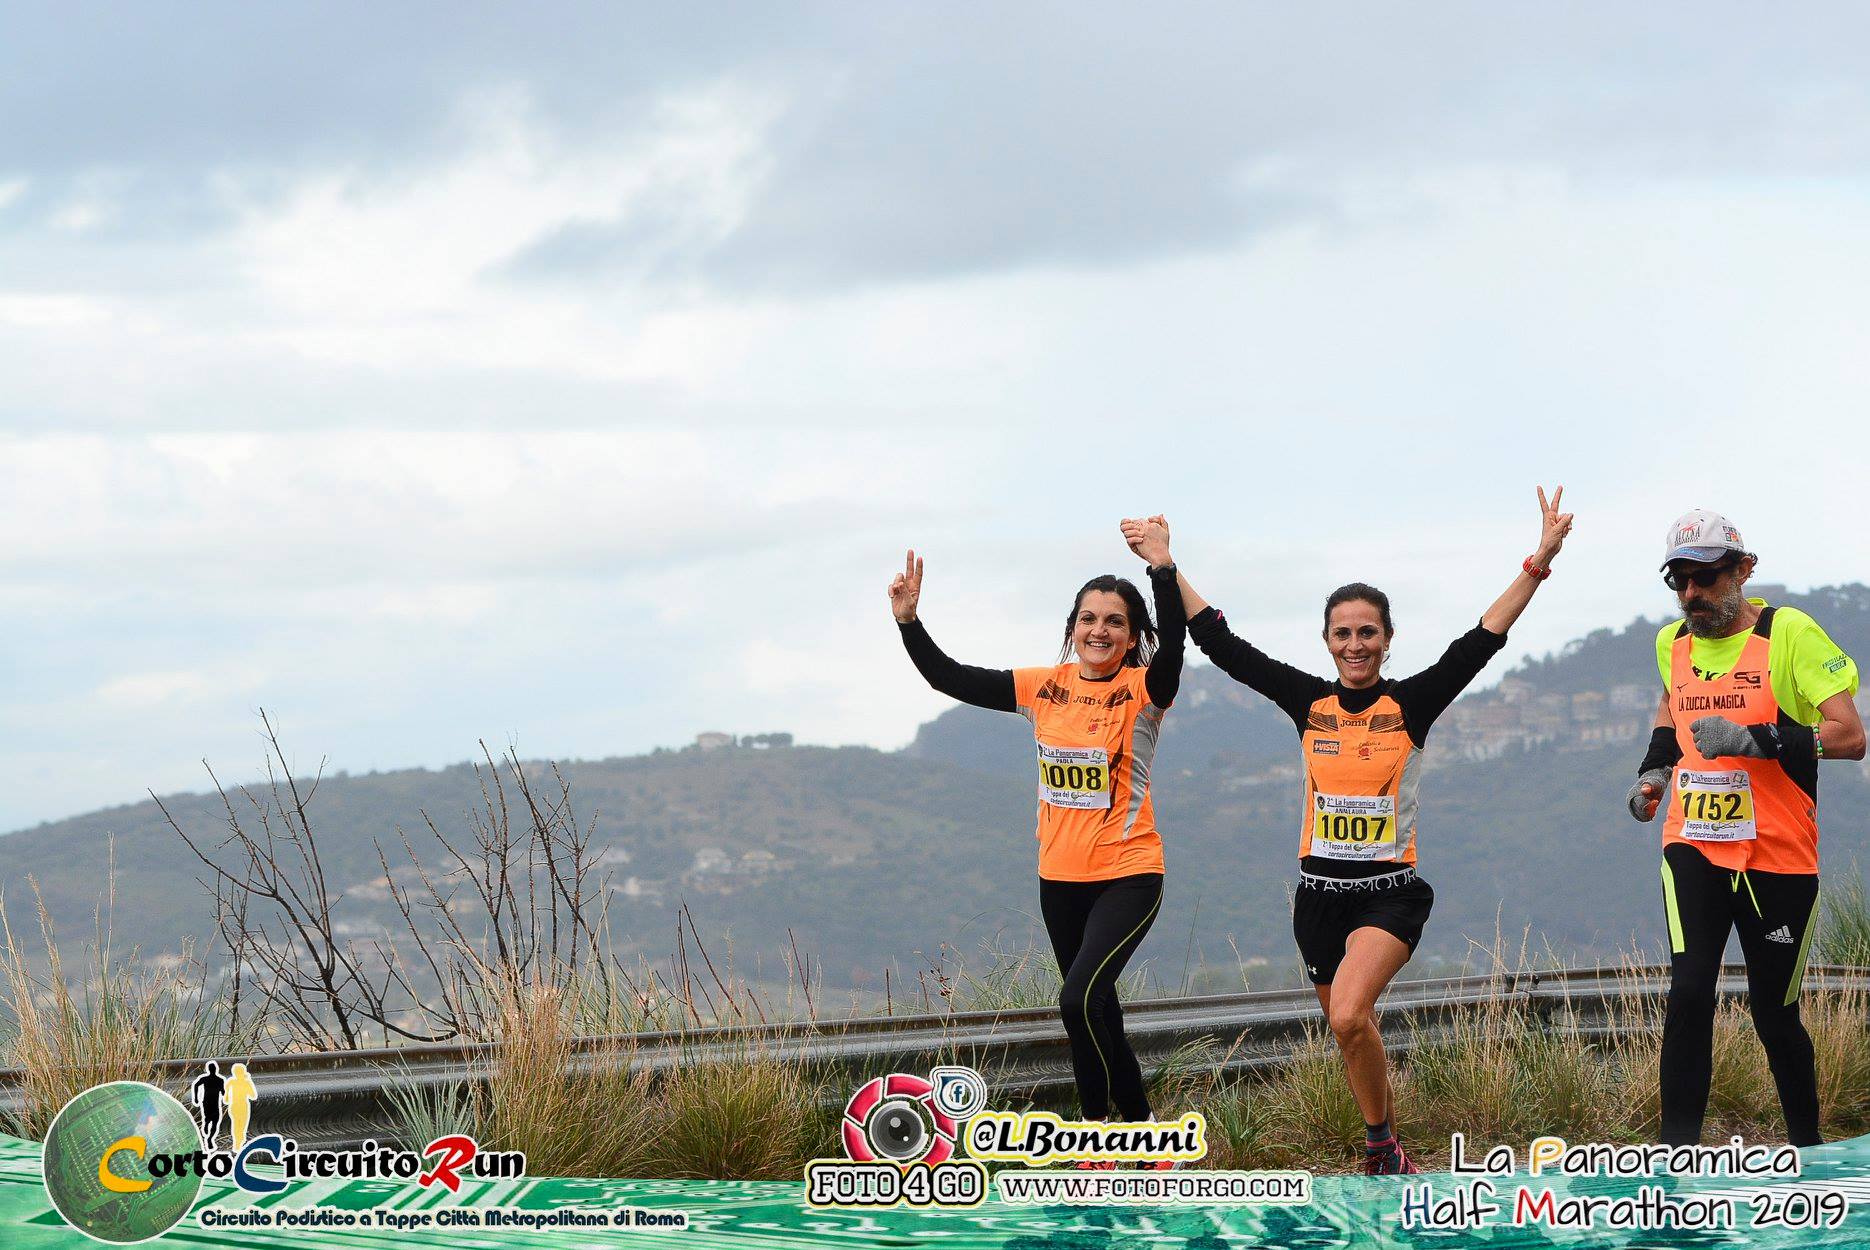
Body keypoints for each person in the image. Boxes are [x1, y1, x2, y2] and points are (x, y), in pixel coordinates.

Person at [1143, 487, 1573, 1175]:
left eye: (1366, 632)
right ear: (1327, 641)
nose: (1354, 645)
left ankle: (1377, 1146)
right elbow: (1221, 644)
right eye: (1342, 634)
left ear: (1387, 639)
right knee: (1353, 1032)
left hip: (1388, 896)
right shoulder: (1306, 702)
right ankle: (1390, 1149)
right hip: (1318, 898)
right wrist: (1166, 566)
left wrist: (1540, 560)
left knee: (1347, 1015)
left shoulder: (1411, 704)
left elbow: (1484, 639)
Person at [890, 524, 1184, 1163]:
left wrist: (1162, 568)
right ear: (1072, 626)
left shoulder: (1144, 690)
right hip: (1059, 878)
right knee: (1096, 1009)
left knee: (1076, 999)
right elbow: (950, 678)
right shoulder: (1042, 686)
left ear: (1133, 635)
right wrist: (911, 624)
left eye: (1114, 621)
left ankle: (1102, 1132)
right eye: (1088, 618)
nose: (1099, 630)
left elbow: (1174, 655)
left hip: (1130, 872)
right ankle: (1147, 1137)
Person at [1626, 509, 1863, 1147]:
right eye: (1678, 580)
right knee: (1690, 990)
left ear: (1743, 569)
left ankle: (1807, 1153)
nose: (1691, 595)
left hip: (1778, 854)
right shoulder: (1671, 642)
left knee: (1774, 1013)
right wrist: (1654, 770)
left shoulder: (1790, 634)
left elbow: (1850, 735)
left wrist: (1757, 739)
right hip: (1694, 842)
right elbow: (1671, 705)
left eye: (1705, 578)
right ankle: (1676, 1163)